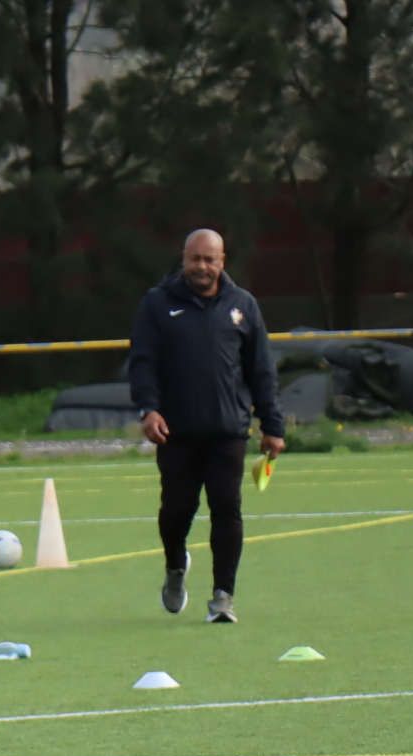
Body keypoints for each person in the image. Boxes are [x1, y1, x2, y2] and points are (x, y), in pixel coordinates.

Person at [129, 227, 286, 624]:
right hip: (176, 432)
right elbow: (143, 363)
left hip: (228, 431)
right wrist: (149, 410)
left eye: (209, 259)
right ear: (184, 259)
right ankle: (175, 567)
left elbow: (261, 370)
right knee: (176, 511)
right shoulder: (157, 302)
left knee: (227, 507)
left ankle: (223, 597)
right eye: (195, 258)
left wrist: (273, 425)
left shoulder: (243, 304)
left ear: (222, 262)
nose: (202, 266)